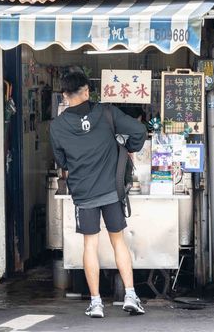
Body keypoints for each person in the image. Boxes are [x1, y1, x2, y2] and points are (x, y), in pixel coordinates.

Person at [50, 72, 147, 318]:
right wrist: (126, 148)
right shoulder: (106, 113)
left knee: (89, 245)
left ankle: (96, 303)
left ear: (64, 95)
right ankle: (131, 295)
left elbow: (61, 161)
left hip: (84, 193)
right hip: (112, 192)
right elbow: (138, 131)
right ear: (86, 92)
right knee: (118, 241)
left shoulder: (58, 126)